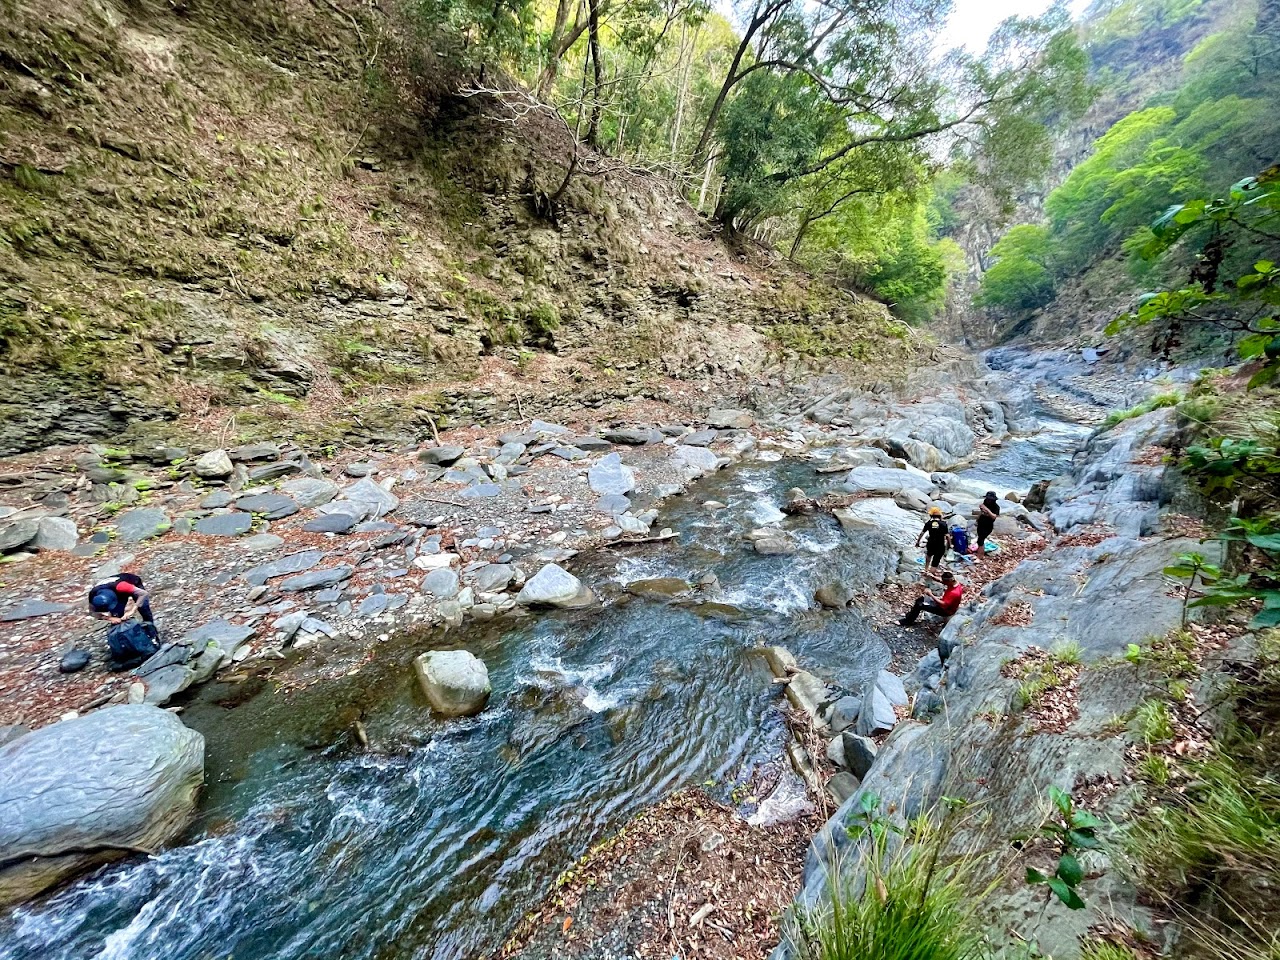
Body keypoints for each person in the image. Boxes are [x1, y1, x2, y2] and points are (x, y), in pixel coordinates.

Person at [898, 571, 964, 626]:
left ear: (949, 581)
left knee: (920, 605)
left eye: (944, 582)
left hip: (945, 610)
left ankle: (907, 622)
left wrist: (931, 594)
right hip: (944, 603)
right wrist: (932, 576)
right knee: (920, 599)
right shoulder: (955, 583)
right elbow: (942, 581)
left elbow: (943, 604)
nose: (943, 583)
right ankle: (911, 616)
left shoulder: (954, 593)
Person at [88, 573, 155, 626]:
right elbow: (92, 613)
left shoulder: (121, 586)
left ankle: (151, 628)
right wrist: (110, 618)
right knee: (117, 616)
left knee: (143, 607)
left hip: (132, 583)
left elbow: (143, 594)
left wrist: (132, 610)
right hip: (114, 590)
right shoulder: (93, 595)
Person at [915, 506, 950, 572]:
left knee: (929, 554)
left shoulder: (928, 523)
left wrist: (918, 542)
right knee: (936, 559)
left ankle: (926, 568)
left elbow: (922, 533)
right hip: (940, 544)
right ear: (940, 515)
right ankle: (931, 571)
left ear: (931, 515)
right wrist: (949, 545)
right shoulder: (943, 524)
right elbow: (947, 536)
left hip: (931, 542)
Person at [976, 492, 1001, 557]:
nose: (988, 500)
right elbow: (982, 512)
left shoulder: (996, 507)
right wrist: (977, 519)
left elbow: (994, 516)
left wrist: (987, 509)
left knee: (980, 540)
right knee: (979, 540)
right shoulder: (985, 502)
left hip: (987, 525)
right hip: (981, 523)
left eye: (990, 499)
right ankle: (980, 552)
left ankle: (980, 555)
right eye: (987, 499)